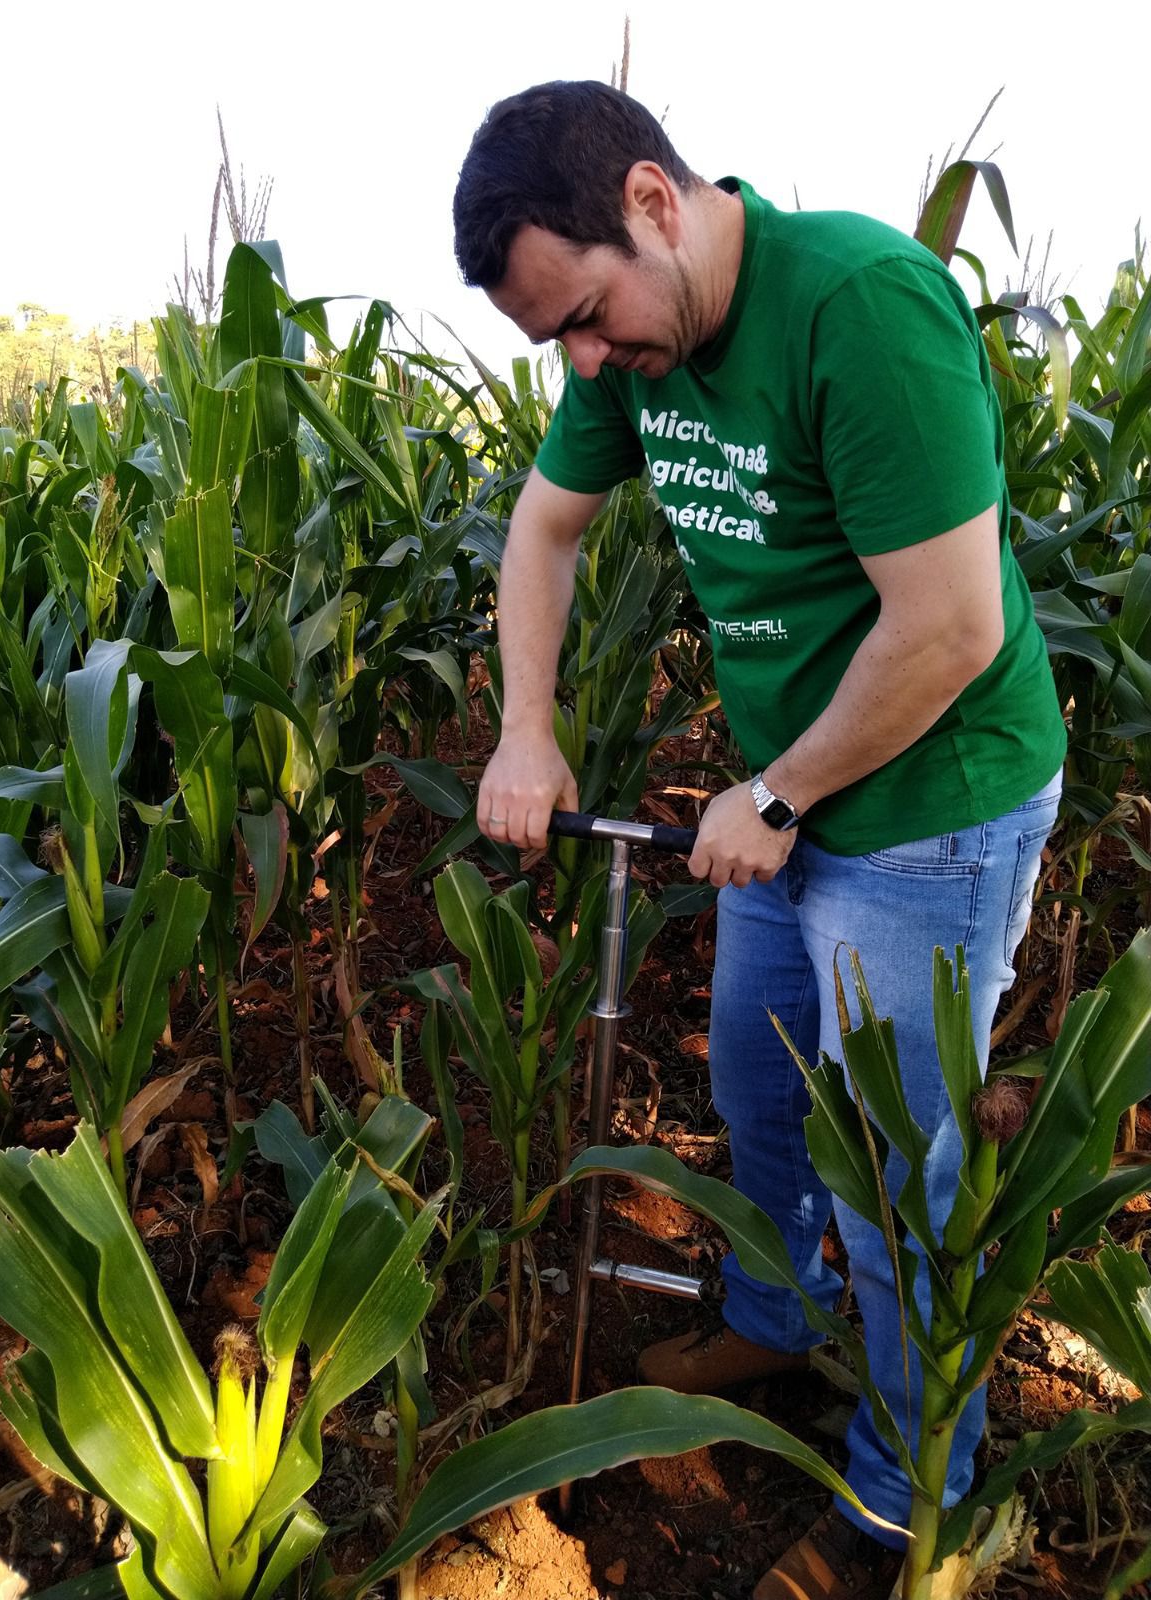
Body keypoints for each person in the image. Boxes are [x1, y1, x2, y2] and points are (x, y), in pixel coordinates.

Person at [452, 80, 1066, 1600]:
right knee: (756, 1091)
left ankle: (896, 1501)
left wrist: (778, 797)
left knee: (902, 1180)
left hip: (934, 805)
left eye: (589, 317)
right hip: (791, 803)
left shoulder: (859, 308)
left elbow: (950, 628)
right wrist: (527, 727)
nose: (589, 364)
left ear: (656, 202)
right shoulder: (630, 342)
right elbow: (542, 528)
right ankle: (779, 1320)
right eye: (559, 344)